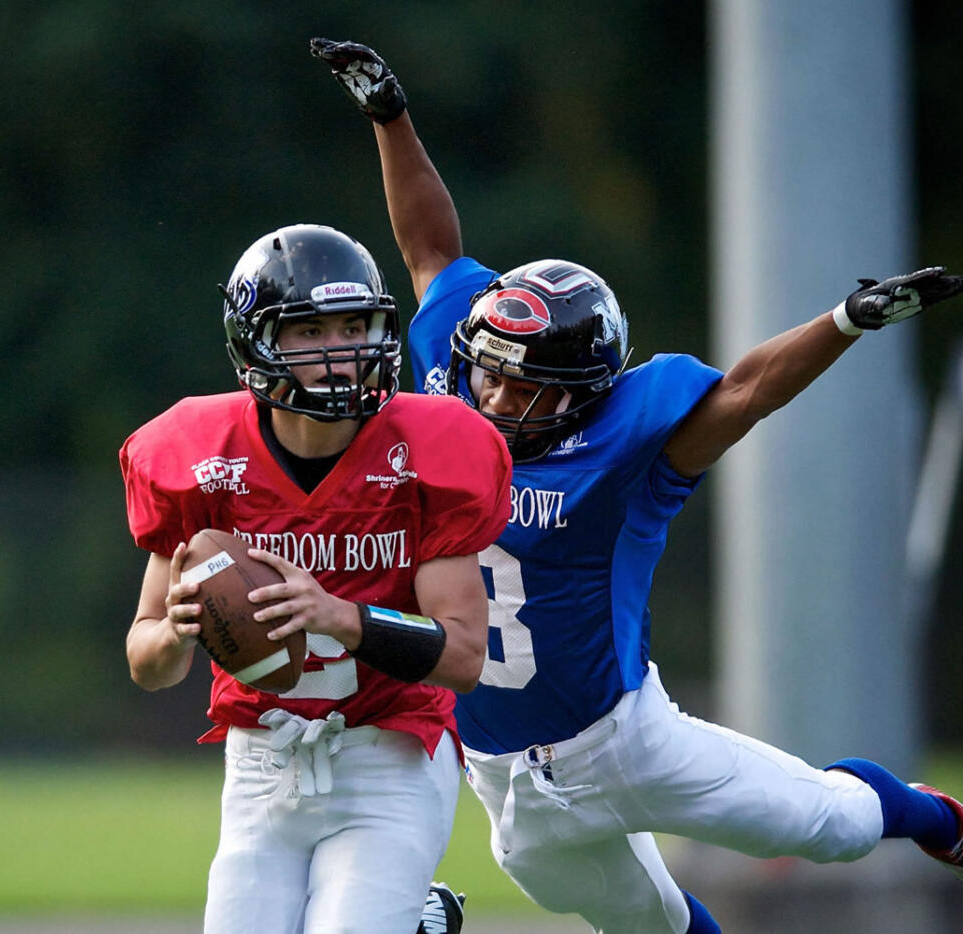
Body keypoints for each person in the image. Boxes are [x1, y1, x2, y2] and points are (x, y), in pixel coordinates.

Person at [312, 37, 963, 934]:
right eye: (488, 372)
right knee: (649, 925)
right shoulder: (448, 383)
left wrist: (847, 319)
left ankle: (938, 817)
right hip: (503, 777)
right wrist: (390, 113)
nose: (495, 395)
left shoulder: (627, 443)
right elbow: (430, 252)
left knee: (837, 827)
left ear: (583, 392)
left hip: (629, 741)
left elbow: (743, 390)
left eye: (524, 383)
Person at [119, 222, 511, 934]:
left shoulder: (432, 447)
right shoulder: (199, 456)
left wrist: (339, 617)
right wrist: (175, 633)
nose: (341, 352)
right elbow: (147, 661)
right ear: (257, 343)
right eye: (310, 331)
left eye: (356, 325)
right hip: (264, 761)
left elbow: (464, 658)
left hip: (389, 754)